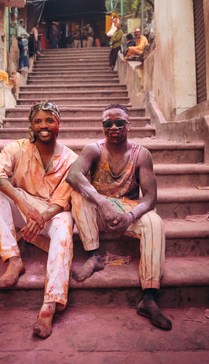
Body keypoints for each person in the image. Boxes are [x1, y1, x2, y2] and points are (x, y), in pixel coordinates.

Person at [66, 103, 172, 331]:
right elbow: (73, 175)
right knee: (77, 195)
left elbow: (151, 198)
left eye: (119, 123)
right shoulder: (93, 149)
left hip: (128, 210)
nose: (113, 127)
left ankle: (149, 296)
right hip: (99, 211)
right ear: (102, 127)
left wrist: (131, 215)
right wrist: (102, 202)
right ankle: (94, 256)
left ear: (128, 125)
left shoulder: (142, 154)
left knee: (154, 220)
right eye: (108, 123)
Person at [0, 101, 78, 338]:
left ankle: (49, 306)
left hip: (51, 215)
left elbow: (62, 200)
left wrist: (41, 217)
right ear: (31, 126)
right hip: (23, 209)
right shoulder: (18, 148)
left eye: (49, 120)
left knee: (65, 226)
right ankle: (13, 259)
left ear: (58, 125)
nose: (44, 126)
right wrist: (22, 203)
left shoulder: (71, 158)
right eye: (38, 121)